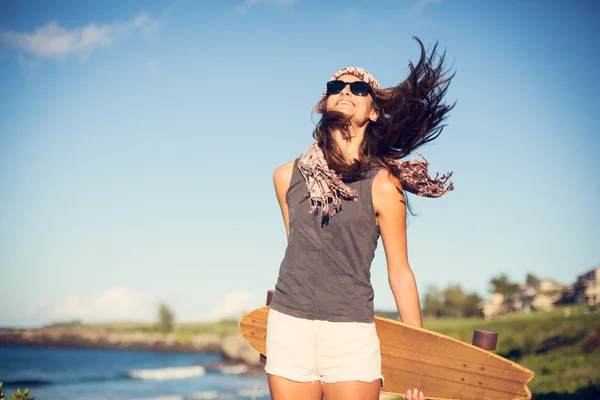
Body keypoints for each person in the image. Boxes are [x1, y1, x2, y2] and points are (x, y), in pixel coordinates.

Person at [266, 37, 455, 400]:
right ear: (325, 103)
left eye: (359, 87)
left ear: (373, 111)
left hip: (350, 332)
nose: (346, 90)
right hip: (289, 327)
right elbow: (299, 248)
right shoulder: (285, 176)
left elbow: (400, 272)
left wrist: (417, 357)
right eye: (336, 86)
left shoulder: (384, 185)